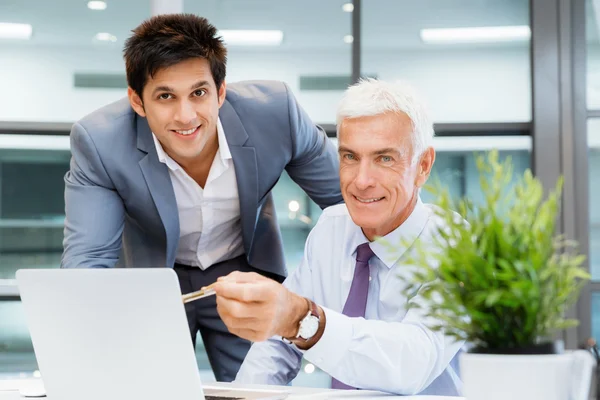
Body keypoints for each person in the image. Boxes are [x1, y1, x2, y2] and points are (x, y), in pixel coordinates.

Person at [60, 14, 343, 382]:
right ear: (137, 101)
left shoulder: (276, 113)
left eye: (199, 92)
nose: (186, 115)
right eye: (165, 96)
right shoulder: (100, 142)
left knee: (254, 389)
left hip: (241, 271)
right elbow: (88, 260)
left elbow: (346, 204)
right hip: (156, 279)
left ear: (220, 91)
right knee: (149, 388)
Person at [212, 78, 464, 395]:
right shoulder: (332, 228)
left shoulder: (454, 246)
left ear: (423, 165)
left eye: (385, 158)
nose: (362, 181)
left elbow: (412, 362)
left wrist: (304, 320)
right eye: (350, 157)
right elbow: (277, 344)